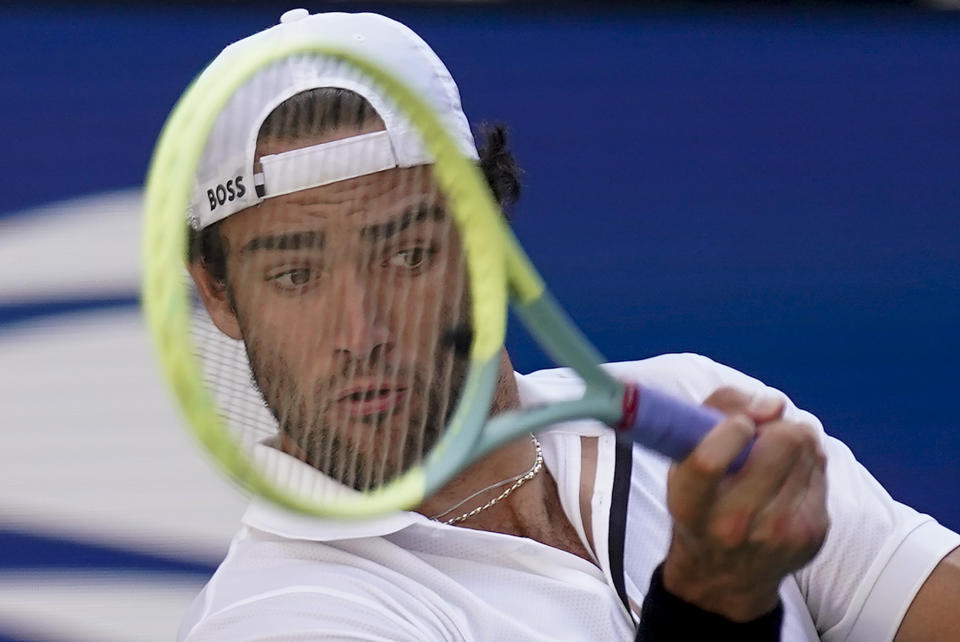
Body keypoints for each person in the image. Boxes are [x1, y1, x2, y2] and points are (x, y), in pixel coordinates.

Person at [178, 10, 960, 642]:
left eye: (407, 253)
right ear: (217, 294)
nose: (361, 330)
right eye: (295, 275)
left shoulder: (691, 397)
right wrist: (714, 601)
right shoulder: (277, 617)